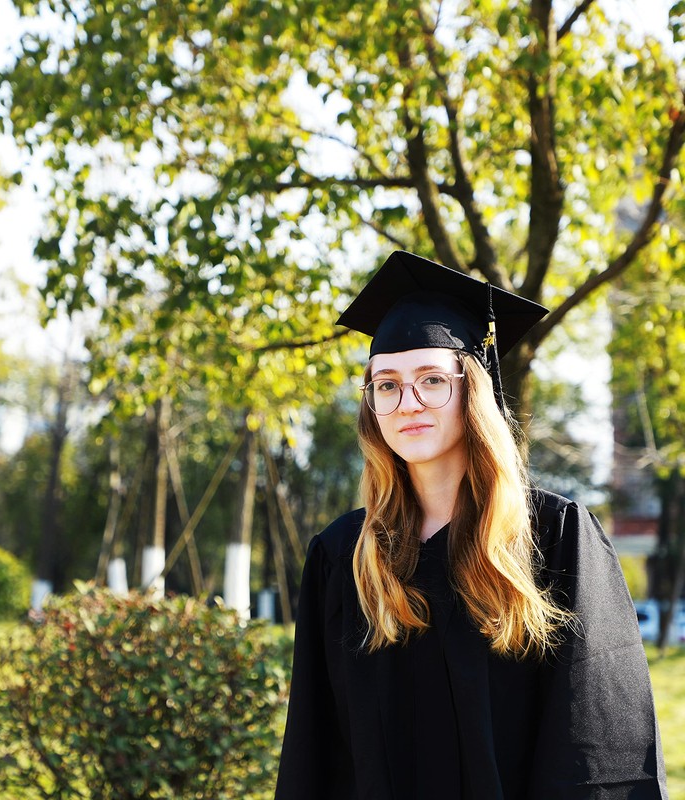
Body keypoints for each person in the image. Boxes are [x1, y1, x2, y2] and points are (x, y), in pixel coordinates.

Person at [275, 251, 667, 800]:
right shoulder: (345, 554)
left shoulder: (555, 538)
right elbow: (314, 753)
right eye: (386, 384)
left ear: (472, 390)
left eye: (432, 379)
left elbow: (596, 738)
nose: (408, 402)